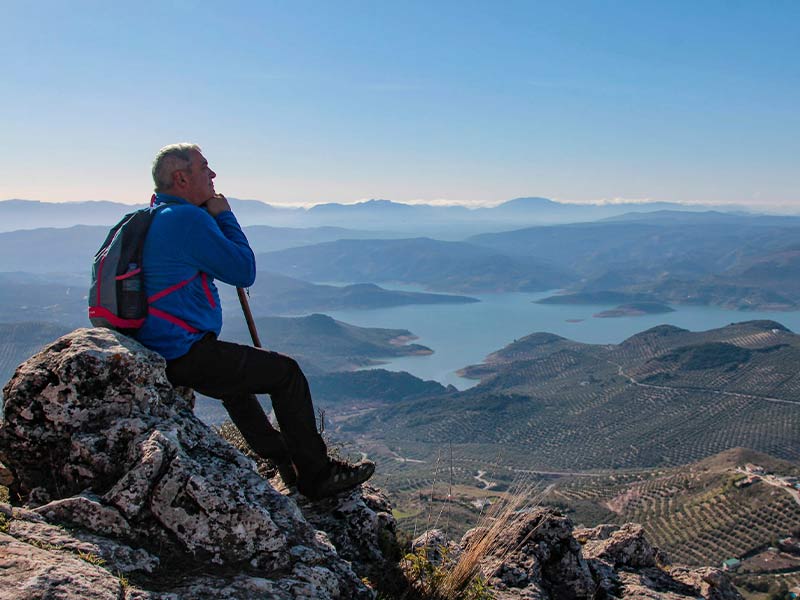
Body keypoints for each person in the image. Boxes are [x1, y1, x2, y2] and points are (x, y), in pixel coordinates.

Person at [136, 142, 374, 500]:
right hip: (179, 351)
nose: (213, 174)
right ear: (181, 177)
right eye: (204, 167)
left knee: (235, 383)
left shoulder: (148, 217)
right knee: (285, 374)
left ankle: (283, 459)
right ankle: (316, 475)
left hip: (152, 348)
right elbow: (242, 270)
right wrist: (223, 216)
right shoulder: (186, 219)